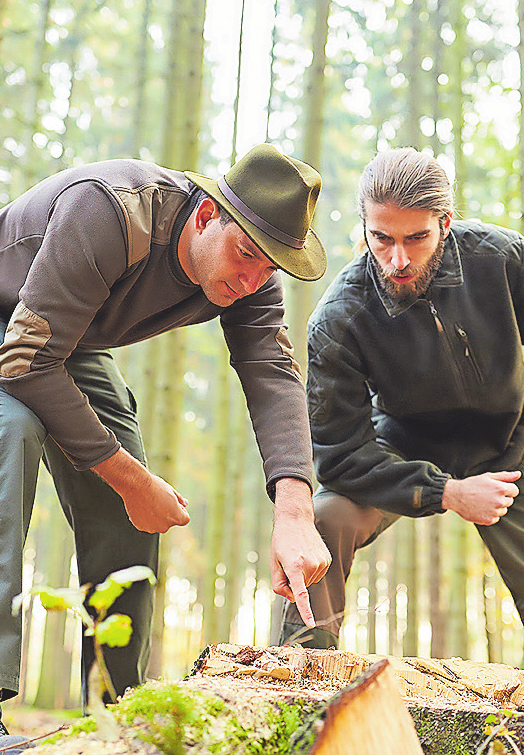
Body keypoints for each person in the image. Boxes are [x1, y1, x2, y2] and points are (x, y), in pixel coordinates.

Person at [0, 143, 332, 747]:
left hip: (66, 343)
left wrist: (295, 511)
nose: (253, 280)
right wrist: (134, 480)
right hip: (16, 332)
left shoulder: (251, 268)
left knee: (130, 509)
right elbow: (24, 362)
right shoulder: (108, 213)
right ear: (206, 215)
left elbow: (272, 371)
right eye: (247, 256)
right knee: (13, 433)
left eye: (270, 270)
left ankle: (116, 715)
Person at [280, 146, 524, 713]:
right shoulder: (339, 318)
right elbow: (341, 457)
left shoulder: (505, 260)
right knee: (325, 520)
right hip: (400, 448)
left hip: (513, 446)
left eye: (415, 238)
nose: (396, 258)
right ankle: (296, 703)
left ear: (445, 223)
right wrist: (445, 492)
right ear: (364, 227)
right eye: (381, 238)